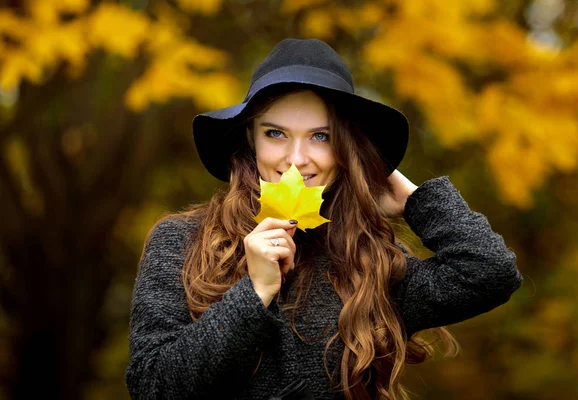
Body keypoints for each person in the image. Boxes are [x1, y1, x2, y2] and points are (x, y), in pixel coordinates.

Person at [125, 39, 523, 400]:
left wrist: (414, 199)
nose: (297, 159)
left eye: (321, 136)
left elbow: (489, 271)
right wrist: (255, 293)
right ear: (250, 137)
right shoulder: (181, 241)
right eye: (276, 133)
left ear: (344, 148)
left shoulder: (371, 261)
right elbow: (152, 386)